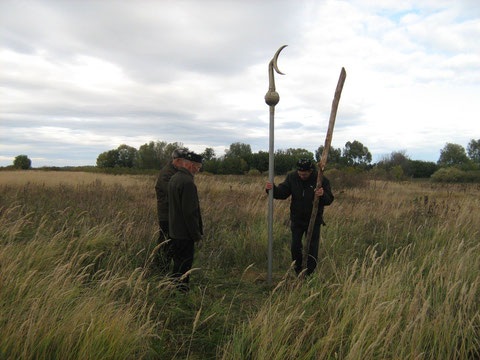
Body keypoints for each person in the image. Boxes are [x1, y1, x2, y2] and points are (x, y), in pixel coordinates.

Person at [265, 158, 334, 276]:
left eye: (305, 174)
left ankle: (309, 274)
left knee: (312, 248)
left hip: (314, 220)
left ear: (311, 170)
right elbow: (283, 193)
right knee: (295, 246)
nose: (302, 176)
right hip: (297, 219)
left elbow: (329, 199)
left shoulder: (320, 179)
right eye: (300, 173)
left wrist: (322, 195)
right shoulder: (292, 177)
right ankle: (298, 271)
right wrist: (272, 190)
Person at [167, 151, 203, 289]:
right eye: (198, 168)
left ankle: (173, 290)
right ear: (191, 165)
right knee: (184, 266)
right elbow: (190, 212)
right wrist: (196, 235)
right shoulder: (188, 183)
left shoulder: (174, 178)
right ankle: (180, 294)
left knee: (177, 264)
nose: (198, 171)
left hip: (175, 231)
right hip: (184, 234)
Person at [154, 148, 188, 273]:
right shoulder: (167, 173)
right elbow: (174, 193)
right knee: (165, 243)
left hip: (173, 214)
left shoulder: (176, 171)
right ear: (178, 160)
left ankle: (165, 269)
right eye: (185, 161)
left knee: (171, 243)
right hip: (167, 215)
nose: (187, 164)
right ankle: (160, 270)